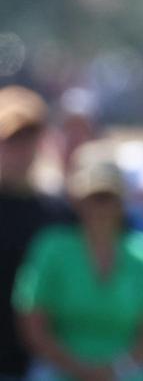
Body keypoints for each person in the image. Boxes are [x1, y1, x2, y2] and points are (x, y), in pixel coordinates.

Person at [13, 140, 143, 381]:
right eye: (93, 197)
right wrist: (76, 368)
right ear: (76, 200)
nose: (100, 207)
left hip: (127, 373)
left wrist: (114, 370)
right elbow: (32, 322)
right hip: (58, 370)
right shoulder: (51, 246)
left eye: (108, 197)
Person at [0, 86, 73, 381]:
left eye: (28, 138)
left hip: (43, 363)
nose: (21, 150)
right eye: (11, 140)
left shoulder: (57, 212)